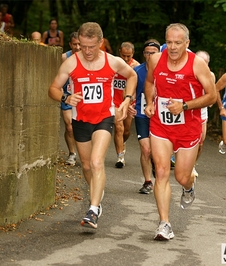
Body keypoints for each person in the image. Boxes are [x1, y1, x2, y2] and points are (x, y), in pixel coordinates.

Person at [48, 22, 137, 229]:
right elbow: (52, 88)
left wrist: (126, 99)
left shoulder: (112, 62)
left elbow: (132, 76)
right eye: (82, 46)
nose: (86, 51)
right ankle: (96, 191)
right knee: (86, 165)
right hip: (81, 120)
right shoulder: (71, 63)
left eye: (91, 46)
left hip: (104, 118)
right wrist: (65, 97)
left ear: (101, 43)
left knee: (97, 162)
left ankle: (93, 209)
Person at [144, 23, 216, 240]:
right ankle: (164, 224)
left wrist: (184, 105)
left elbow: (211, 96)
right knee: (162, 171)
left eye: (177, 42)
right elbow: (149, 82)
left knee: (181, 176)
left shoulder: (198, 65)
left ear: (187, 43)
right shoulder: (156, 59)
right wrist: (149, 102)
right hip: (160, 125)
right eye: (169, 42)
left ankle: (189, 186)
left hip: (188, 126)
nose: (172, 47)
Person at [132, 39, 161, 194]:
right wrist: (129, 105)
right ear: (143, 54)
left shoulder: (166, 70)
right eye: (147, 53)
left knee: (157, 151)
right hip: (142, 114)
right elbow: (130, 92)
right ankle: (148, 181)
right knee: (146, 149)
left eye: (153, 53)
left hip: (161, 116)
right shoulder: (137, 71)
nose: (150, 56)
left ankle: (157, 166)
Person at [113, 42, 140, 168]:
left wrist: (130, 100)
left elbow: (138, 88)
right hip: (115, 101)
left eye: (128, 56)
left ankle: (122, 144)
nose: (126, 59)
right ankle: (120, 157)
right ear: (119, 52)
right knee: (119, 127)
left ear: (132, 54)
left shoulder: (136, 67)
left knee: (127, 130)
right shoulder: (113, 64)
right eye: (123, 55)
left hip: (129, 102)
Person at [192, 50, 216, 177]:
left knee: (200, 143)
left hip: (201, 112)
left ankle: (192, 165)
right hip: (186, 111)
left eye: (204, 62)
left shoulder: (211, 76)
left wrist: (208, 100)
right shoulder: (187, 73)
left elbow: (212, 97)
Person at [61, 32, 81, 166]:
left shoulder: (88, 56)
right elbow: (58, 77)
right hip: (68, 97)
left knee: (83, 127)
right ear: (70, 44)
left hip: (82, 98)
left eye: (80, 44)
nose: (78, 47)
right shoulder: (64, 57)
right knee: (69, 127)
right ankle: (72, 154)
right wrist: (63, 93)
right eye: (75, 44)